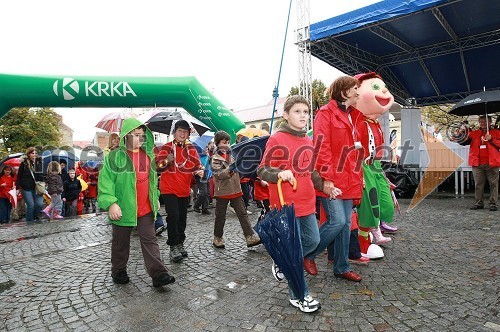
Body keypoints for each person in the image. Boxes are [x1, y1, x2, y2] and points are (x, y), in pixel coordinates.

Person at [258, 95, 327, 313]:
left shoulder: (308, 141)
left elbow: (313, 171)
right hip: (286, 205)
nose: (303, 115)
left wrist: (326, 187)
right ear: (286, 115)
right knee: (296, 252)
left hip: (308, 202)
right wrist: (280, 173)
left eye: (306, 112)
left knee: (314, 240)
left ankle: (282, 260)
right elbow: (262, 170)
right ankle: (299, 295)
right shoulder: (277, 139)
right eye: (297, 111)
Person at [98, 118, 175, 287]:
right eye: (136, 135)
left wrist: (165, 163)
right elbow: (105, 183)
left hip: (145, 208)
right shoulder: (114, 156)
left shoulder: (148, 155)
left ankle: (159, 274)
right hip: (124, 208)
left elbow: (152, 176)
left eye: (142, 135)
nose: (140, 139)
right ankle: (118, 271)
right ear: (126, 136)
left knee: (150, 240)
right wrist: (111, 203)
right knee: (120, 244)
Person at [304, 76, 363, 282]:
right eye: (355, 88)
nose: (358, 92)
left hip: (348, 177)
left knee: (346, 223)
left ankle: (341, 266)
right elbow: (321, 147)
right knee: (337, 221)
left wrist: (358, 177)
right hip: (333, 178)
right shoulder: (325, 113)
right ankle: (307, 254)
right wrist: (327, 178)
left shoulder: (353, 115)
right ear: (345, 91)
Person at [352, 72, 395, 253]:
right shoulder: (356, 121)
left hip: (375, 165)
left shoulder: (375, 122)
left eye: (383, 87)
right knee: (369, 205)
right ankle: (364, 242)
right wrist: (357, 172)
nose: (384, 91)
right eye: (375, 87)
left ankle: (375, 229)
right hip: (362, 164)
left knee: (386, 203)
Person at [156, 120, 203, 262]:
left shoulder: (191, 149)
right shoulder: (166, 147)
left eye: (185, 131)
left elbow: (197, 165)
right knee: (173, 216)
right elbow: (157, 167)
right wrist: (167, 161)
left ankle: (180, 242)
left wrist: (199, 171)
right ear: (174, 133)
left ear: (188, 133)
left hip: (184, 188)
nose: (182, 134)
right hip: (169, 188)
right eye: (180, 131)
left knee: (182, 218)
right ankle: (173, 245)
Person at [210, 130, 261, 249]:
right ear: (218, 143)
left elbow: (240, 170)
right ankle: (217, 238)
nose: (226, 144)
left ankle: (250, 237)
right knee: (220, 217)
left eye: (228, 142)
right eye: (224, 142)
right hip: (222, 191)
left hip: (236, 190)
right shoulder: (215, 158)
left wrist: (242, 170)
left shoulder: (233, 155)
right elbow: (219, 174)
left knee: (242, 214)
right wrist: (231, 170)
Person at [458, 115, 500, 211]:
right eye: (481, 121)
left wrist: (491, 139)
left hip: (492, 163)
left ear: (490, 122)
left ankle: (493, 204)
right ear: (479, 123)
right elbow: (462, 141)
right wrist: (462, 132)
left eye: (485, 121)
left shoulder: (497, 133)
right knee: (478, 184)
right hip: (477, 163)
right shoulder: (474, 133)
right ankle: (479, 203)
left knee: (493, 184)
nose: (483, 123)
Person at [15, 147, 44, 224]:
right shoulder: (24, 164)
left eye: (35, 153)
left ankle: (34, 217)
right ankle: (30, 222)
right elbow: (19, 176)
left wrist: (37, 166)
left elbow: (41, 176)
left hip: (37, 187)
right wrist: (18, 188)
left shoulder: (39, 163)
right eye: (32, 153)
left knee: (39, 204)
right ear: (28, 154)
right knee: (31, 205)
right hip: (27, 187)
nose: (34, 155)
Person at [194, 140, 213, 215]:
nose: (206, 149)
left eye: (206, 148)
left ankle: (205, 208)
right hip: (200, 176)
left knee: (207, 193)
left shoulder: (208, 156)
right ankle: (196, 205)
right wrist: (201, 168)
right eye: (204, 148)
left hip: (207, 175)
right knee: (203, 192)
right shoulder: (197, 157)